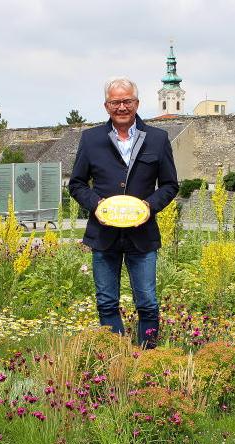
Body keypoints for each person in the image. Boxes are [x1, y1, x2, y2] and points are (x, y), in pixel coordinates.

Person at [68, 77, 179, 349]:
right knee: (106, 302)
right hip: (103, 235)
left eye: (127, 101)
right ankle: (116, 359)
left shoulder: (158, 138)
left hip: (142, 236)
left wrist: (148, 207)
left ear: (137, 103)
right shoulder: (91, 139)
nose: (121, 107)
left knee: (148, 304)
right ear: (106, 106)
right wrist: (98, 205)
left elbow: (170, 185)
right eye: (115, 102)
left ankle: (149, 360)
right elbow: (77, 184)